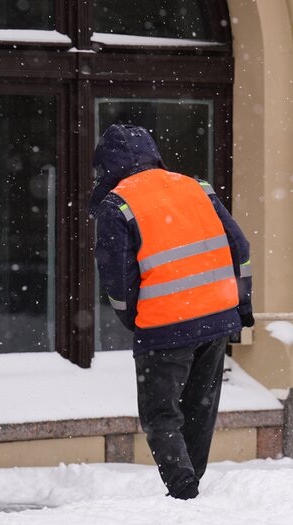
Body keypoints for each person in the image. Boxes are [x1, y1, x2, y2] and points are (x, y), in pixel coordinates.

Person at [89, 124, 254, 500]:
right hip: (217, 319)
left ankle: (183, 493)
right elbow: (240, 248)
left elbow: (117, 279)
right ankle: (190, 486)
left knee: (161, 415)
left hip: (164, 326)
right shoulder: (198, 188)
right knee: (200, 408)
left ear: (109, 165)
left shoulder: (117, 205)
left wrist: (133, 319)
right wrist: (241, 306)